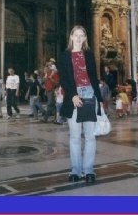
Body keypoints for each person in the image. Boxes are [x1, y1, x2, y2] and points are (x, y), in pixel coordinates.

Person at [57, 25, 103, 184]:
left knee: (90, 136)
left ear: (84, 38)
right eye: (75, 35)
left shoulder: (89, 55)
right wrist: (73, 95)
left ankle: (88, 170)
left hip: (90, 94)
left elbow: (94, 78)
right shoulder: (63, 56)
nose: (78, 38)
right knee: (75, 137)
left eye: (81, 35)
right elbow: (63, 79)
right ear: (71, 37)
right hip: (73, 96)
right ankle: (75, 170)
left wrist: (100, 101)